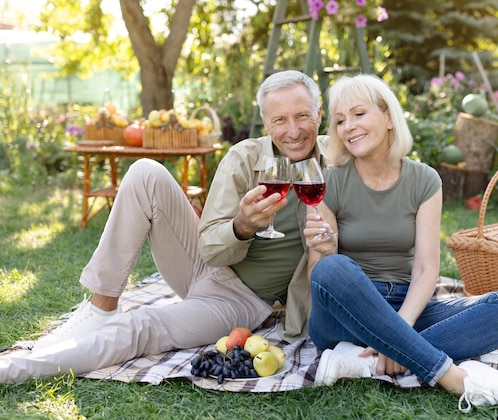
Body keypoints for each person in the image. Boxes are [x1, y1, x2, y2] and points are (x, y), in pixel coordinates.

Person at [0, 70, 326, 384]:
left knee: (141, 326)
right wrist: (241, 226)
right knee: (145, 172)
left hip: (238, 300)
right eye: (280, 120)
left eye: (302, 116)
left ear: (320, 113)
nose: (293, 131)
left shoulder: (338, 161)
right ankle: (101, 308)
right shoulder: (244, 157)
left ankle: (16, 367)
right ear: (266, 123)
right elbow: (210, 247)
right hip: (205, 264)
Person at [302, 74, 498, 413]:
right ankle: (450, 375)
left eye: (359, 114)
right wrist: (322, 249)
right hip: (346, 316)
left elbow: (425, 269)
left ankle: (366, 364)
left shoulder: (424, 180)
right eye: (340, 120)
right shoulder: (327, 181)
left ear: (388, 117)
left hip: (408, 307)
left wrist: (398, 331)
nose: (349, 127)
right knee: (333, 267)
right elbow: (321, 276)